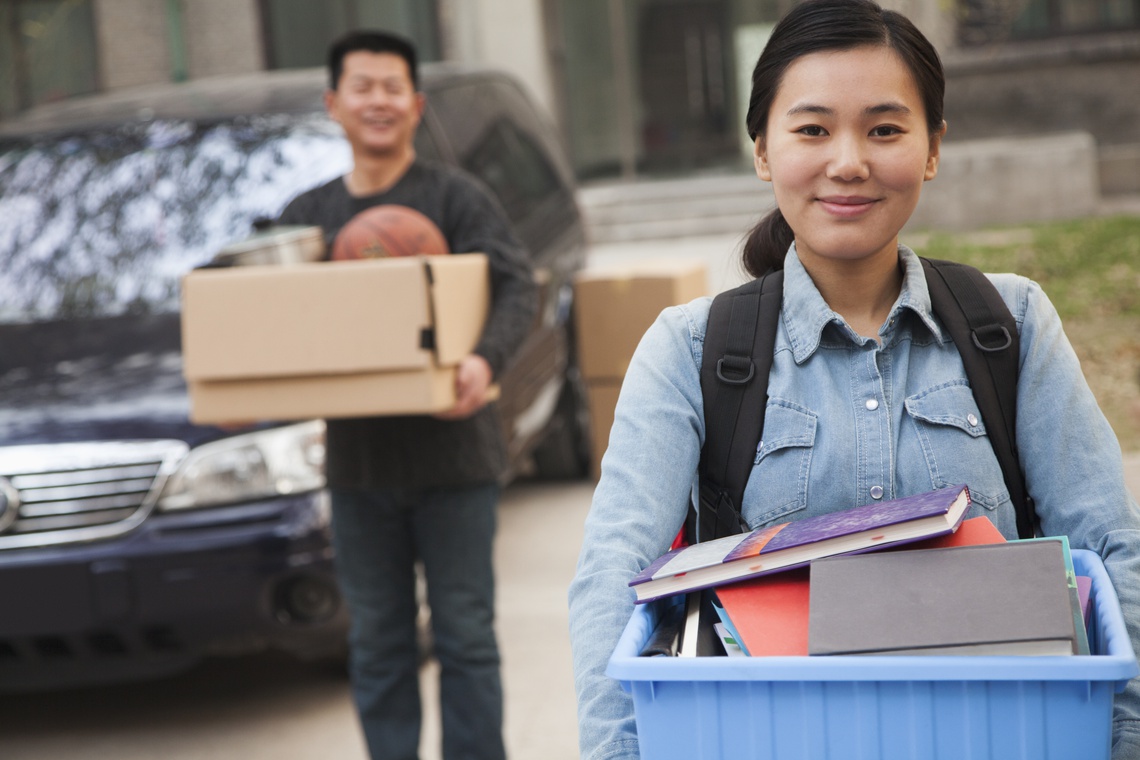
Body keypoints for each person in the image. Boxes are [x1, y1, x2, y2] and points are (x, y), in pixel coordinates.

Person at [567, 1, 1140, 757]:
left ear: (933, 147)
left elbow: (1110, 549)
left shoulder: (1013, 324)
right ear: (763, 151)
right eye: (811, 129)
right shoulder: (692, 349)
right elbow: (615, 577)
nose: (848, 161)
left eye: (884, 128)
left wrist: (1122, 736)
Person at [276, 30, 537, 760]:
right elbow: (262, 305)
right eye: (363, 87)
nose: (379, 101)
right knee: (379, 643)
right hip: (360, 468)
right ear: (334, 104)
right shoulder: (305, 216)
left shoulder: (457, 198)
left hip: (456, 458)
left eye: (393, 88)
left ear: (416, 105)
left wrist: (484, 362)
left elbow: (516, 286)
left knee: (464, 637)